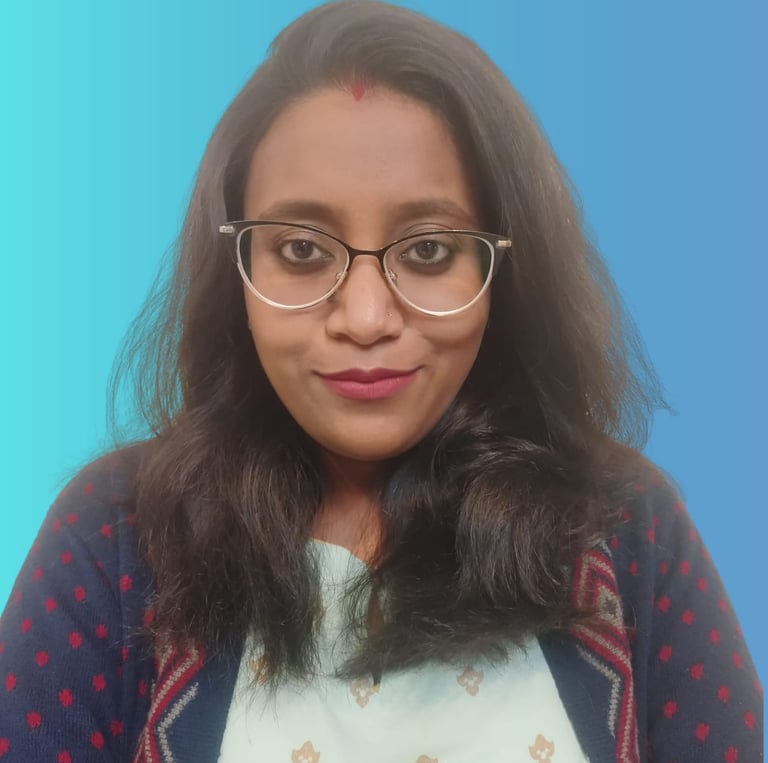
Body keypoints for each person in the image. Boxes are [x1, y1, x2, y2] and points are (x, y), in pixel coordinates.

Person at [0, 1, 762, 761]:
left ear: (503, 272)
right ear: (237, 271)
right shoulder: (120, 533)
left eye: (429, 251)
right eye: (301, 249)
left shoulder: (625, 526)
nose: (364, 317)